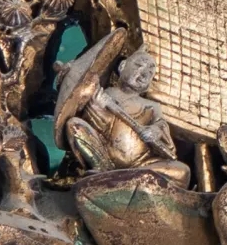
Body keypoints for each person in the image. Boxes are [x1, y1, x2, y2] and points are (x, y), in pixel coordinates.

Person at [65, 50, 191, 187]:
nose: (144, 74)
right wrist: (96, 107)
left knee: (182, 171)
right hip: (105, 158)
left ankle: (124, 177)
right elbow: (91, 122)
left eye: (150, 73)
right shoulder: (104, 94)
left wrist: (155, 131)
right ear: (122, 66)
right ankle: (108, 171)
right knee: (74, 125)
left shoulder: (151, 107)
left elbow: (161, 127)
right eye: (139, 65)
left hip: (142, 163)